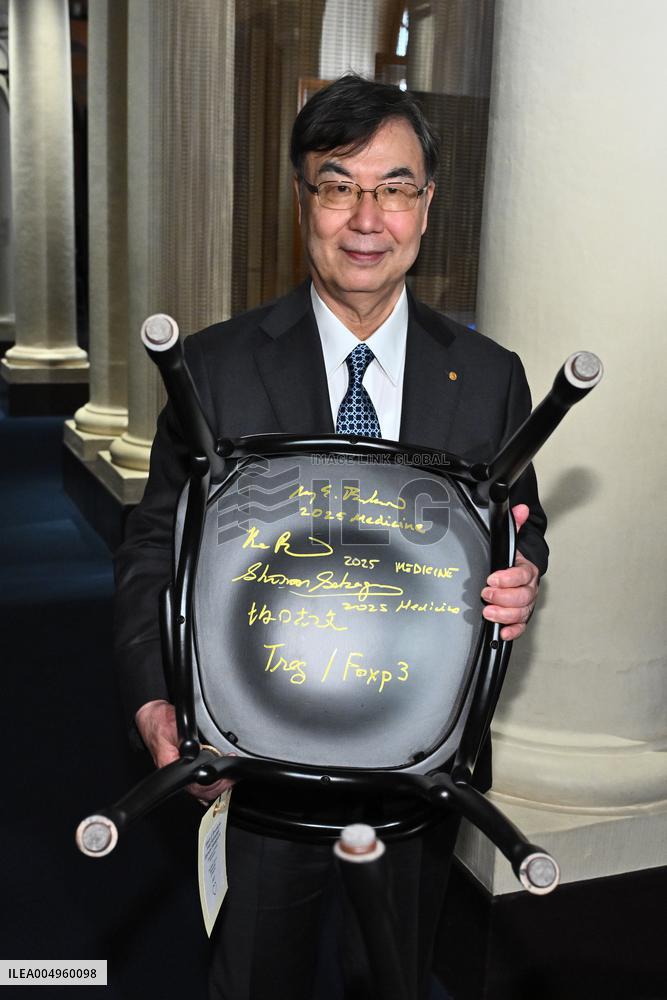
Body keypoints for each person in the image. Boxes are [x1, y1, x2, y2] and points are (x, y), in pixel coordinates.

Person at [114, 74, 547, 1000]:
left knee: (392, 977)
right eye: (337, 185)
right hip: (254, 768)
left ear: (426, 205)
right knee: (253, 978)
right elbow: (154, 546)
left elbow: (519, 524)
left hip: (417, 763)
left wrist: (521, 574)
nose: (366, 218)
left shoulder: (491, 377)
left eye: (393, 187)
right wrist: (156, 701)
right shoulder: (214, 369)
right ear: (301, 199)